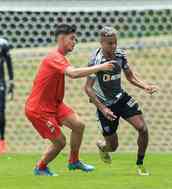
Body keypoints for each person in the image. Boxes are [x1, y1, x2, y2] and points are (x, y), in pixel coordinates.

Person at [25, 24, 115, 176]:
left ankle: (74, 162)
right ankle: (40, 168)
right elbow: (72, 74)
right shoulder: (54, 57)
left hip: (55, 105)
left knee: (78, 125)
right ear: (61, 38)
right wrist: (100, 67)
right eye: (72, 38)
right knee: (60, 142)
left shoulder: (60, 58)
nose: (75, 41)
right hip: (39, 109)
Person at [84, 26, 158, 176]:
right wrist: (103, 109)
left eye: (115, 42)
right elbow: (88, 88)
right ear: (101, 43)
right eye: (110, 43)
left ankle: (140, 164)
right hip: (105, 106)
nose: (113, 46)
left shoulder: (120, 55)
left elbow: (130, 76)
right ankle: (102, 147)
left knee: (143, 129)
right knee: (113, 146)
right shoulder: (95, 61)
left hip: (121, 99)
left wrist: (145, 86)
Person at [0, 38, 14, 154]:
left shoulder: (3, 43)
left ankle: (2, 141)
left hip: (0, 82)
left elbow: (9, 63)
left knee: (1, 112)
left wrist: (11, 81)